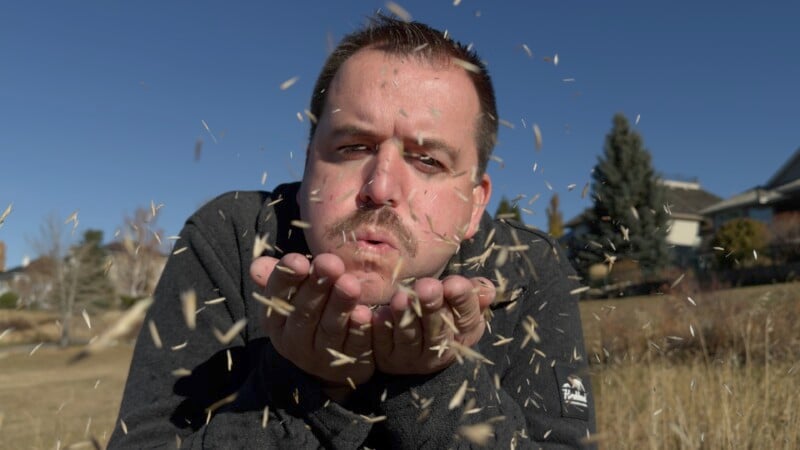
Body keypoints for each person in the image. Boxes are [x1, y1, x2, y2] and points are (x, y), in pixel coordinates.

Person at [109, 14, 596, 449]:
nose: (380, 187)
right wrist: (302, 386)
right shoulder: (232, 240)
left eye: (427, 159)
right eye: (352, 147)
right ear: (307, 167)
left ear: (474, 203)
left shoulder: (527, 267)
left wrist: (434, 383)